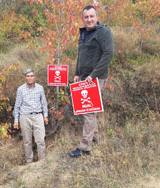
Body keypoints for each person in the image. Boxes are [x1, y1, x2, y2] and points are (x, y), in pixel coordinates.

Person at [69, 5, 114, 158]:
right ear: (83, 18)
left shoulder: (103, 32)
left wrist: (94, 75)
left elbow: (108, 54)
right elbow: (80, 55)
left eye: (91, 16)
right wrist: (77, 73)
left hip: (96, 78)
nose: (89, 19)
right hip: (84, 77)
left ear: (96, 17)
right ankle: (94, 138)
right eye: (86, 17)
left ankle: (84, 148)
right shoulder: (83, 34)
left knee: (88, 111)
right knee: (88, 110)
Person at [13, 69, 49, 163]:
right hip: (25, 116)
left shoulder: (40, 88)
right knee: (27, 141)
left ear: (35, 77)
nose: (30, 78)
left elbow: (44, 103)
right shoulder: (20, 89)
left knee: (40, 139)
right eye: (28, 76)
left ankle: (42, 161)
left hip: (38, 116)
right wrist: (16, 120)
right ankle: (29, 161)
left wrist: (45, 115)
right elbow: (17, 106)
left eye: (31, 76)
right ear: (25, 77)